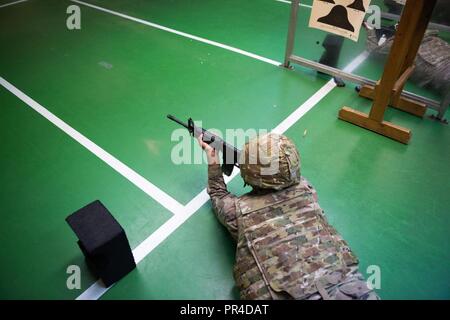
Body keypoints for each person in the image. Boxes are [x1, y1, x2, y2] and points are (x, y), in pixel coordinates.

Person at [198, 132, 379, 300]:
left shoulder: (237, 211)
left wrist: (213, 160)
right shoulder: (308, 192)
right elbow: (290, 177)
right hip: (351, 287)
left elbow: (218, 193)